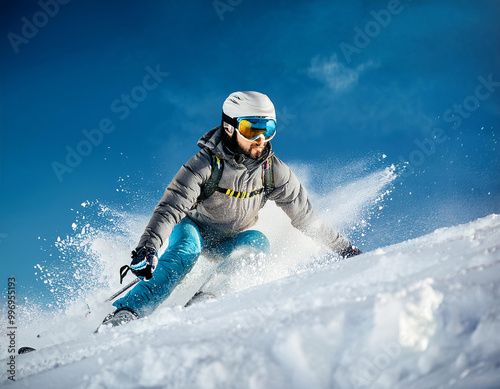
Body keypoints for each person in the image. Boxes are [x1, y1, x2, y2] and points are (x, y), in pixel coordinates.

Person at [99, 91, 361, 328]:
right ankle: (127, 313)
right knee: (185, 252)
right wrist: (148, 247)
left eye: (267, 129)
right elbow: (171, 206)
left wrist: (346, 249)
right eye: (250, 129)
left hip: (232, 237)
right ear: (229, 127)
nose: (260, 139)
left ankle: (206, 302)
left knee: (256, 242)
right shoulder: (204, 165)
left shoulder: (274, 172)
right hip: (195, 228)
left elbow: (306, 218)